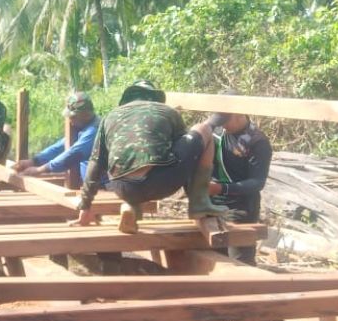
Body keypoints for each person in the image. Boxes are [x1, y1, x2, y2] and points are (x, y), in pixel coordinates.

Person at [74, 80, 228, 234]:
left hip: (122, 188)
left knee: (130, 165)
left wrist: (85, 207)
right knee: (203, 129)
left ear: (127, 99)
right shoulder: (167, 111)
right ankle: (199, 203)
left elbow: (94, 163)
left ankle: (130, 207)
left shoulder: (109, 117)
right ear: (154, 97)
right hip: (161, 183)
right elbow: (189, 154)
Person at [210, 105, 273, 264]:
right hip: (211, 206)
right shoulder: (217, 133)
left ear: (238, 114)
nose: (223, 125)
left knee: (239, 262)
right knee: (213, 259)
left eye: (225, 120)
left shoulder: (257, 142)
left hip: (238, 209)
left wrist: (222, 188)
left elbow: (257, 182)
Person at [15, 92, 102, 184]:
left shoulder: (93, 131)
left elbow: (72, 154)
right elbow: (60, 147)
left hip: (103, 186)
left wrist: (40, 170)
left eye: (73, 117)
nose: (70, 121)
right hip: (90, 184)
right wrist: (34, 161)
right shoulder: (82, 126)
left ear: (86, 115)